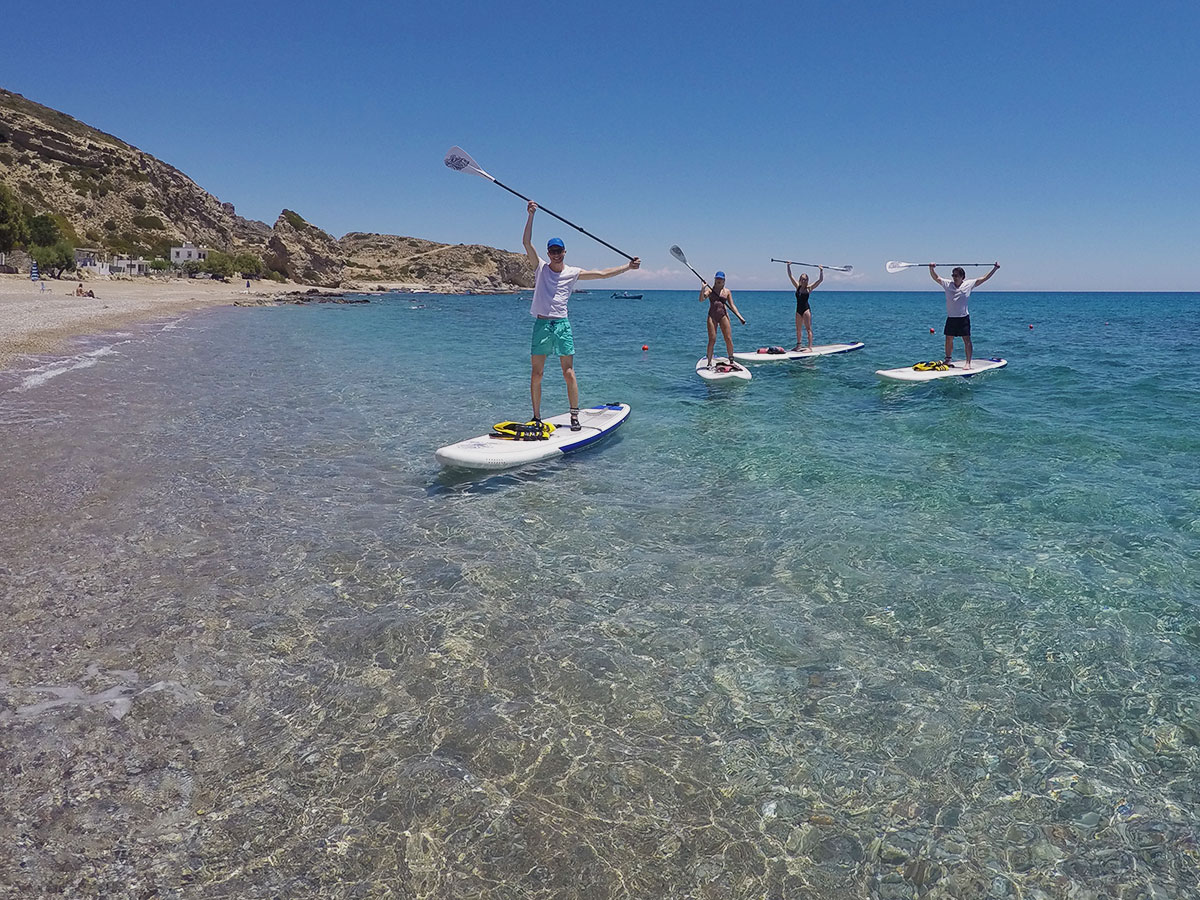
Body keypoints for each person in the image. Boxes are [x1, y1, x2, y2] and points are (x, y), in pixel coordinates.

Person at [522, 201, 639, 429]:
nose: (555, 254)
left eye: (559, 251)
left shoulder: (573, 273)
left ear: (565, 252)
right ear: (548, 253)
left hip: (562, 326)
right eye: (552, 251)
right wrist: (531, 215)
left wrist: (627, 267)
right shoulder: (540, 268)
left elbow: (603, 274)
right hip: (542, 325)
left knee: (568, 373)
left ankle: (574, 415)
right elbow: (526, 242)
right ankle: (536, 417)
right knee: (537, 374)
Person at [929, 262, 1000, 367]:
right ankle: (948, 360)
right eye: (953, 275)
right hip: (951, 318)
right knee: (948, 338)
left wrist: (995, 268)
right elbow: (936, 278)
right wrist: (931, 268)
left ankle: (968, 363)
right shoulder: (948, 284)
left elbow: (984, 278)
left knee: (966, 340)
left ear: (962, 277)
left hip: (963, 318)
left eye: (956, 275)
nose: (954, 277)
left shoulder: (969, 284)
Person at [699, 272, 746, 368]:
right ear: (715, 279)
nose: (718, 280)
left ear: (724, 281)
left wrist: (740, 317)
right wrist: (703, 288)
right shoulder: (710, 290)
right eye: (717, 279)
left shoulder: (727, 292)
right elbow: (701, 299)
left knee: (728, 338)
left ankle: (731, 360)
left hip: (723, 316)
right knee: (712, 339)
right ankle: (709, 362)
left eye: (720, 279)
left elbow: (732, 306)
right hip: (712, 316)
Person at [785, 263, 823, 351]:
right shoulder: (797, 287)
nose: (803, 281)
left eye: (805, 279)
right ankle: (798, 346)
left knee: (808, 329)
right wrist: (788, 266)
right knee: (798, 329)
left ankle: (810, 347)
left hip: (806, 310)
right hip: (798, 310)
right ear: (800, 280)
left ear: (807, 280)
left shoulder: (809, 288)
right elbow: (790, 276)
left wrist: (821, 270)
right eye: (802, 279)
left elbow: (820, 280)